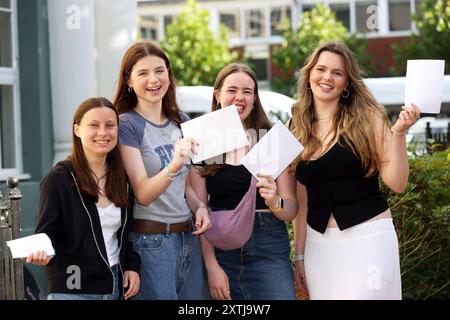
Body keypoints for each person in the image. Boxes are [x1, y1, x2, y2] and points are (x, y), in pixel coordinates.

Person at [291, 41, 421, 300]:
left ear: (347, 83)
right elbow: (302, 199)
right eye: (321, 69)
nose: (327, 77)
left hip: (368, 238)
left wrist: (398, 134)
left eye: (337, 73)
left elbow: (397, 183)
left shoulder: (368, 117)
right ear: (309, 76)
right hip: (319, 246)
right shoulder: (296, 125)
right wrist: (300, 255)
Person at [190, 63, 298, 300]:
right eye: (232, 90)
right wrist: (211, 266)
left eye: (247, 91)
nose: (240, 97)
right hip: (221, 248)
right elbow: (200, 210)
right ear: (218, 95)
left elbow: (291, 210)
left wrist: (275, 201)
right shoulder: (202, 141)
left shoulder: (272, 139)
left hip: (268, 246)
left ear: (255, 97)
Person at [113, 41, 211, 300]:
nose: (153, 79)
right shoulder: (126, 124)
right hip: (151, 242)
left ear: (169, 74)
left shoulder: (182, 121)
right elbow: (143, 193)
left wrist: (200, 207)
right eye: (143, 73)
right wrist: (175, 162)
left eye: (159, 71)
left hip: (187, 237)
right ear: (129, 82)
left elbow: (185, 187)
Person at [26, 97, 141, 300]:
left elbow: (125, 234)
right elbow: (47, 232)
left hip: (114, 284)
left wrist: (131, 266)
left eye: (110, 125)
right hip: (73, 288)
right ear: (77, 130)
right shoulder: (58, 179)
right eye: (94, 125)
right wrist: (41, 250)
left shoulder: (121, 178)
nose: (103, 133)